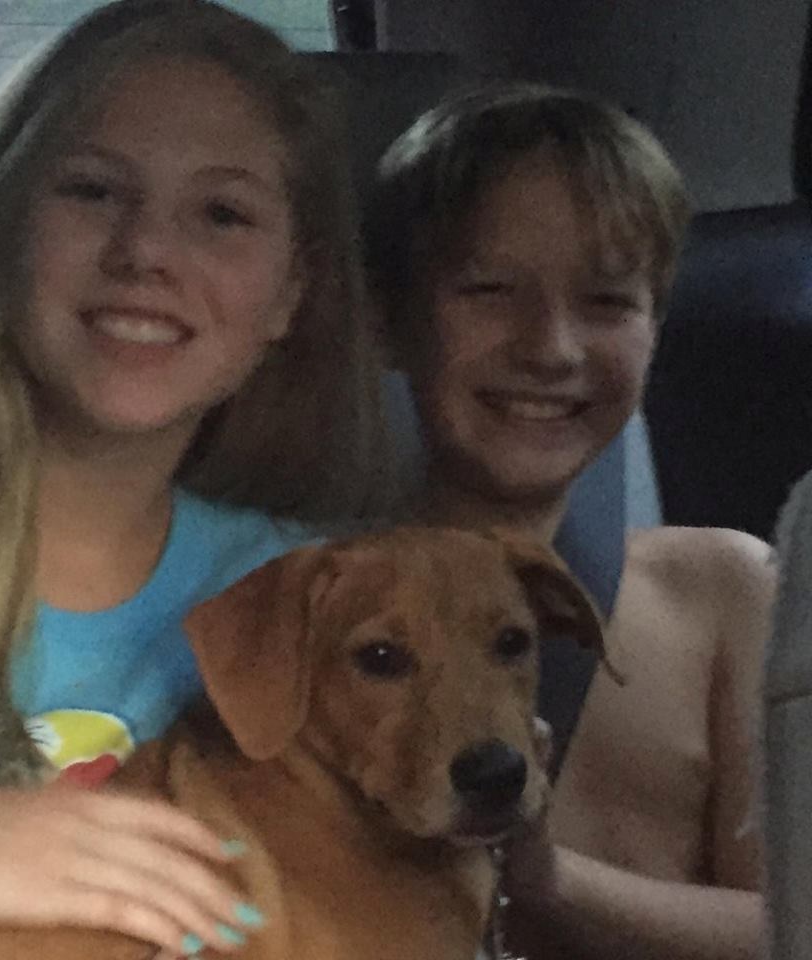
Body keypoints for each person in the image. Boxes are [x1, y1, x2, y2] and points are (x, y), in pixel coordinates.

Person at [0, 1, 391, 956]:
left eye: (221, 214)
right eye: (93, 191)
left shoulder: (325, 607)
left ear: (291, 293)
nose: (145, 251)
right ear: (0, 227)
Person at [368, 83, 773, 960]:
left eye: (607, 301)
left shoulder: (721, 594)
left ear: (657, 327)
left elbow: (793, 923)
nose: (550, 347)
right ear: (390, 320)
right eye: (489, 290)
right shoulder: (323, 607)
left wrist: (547, 877)